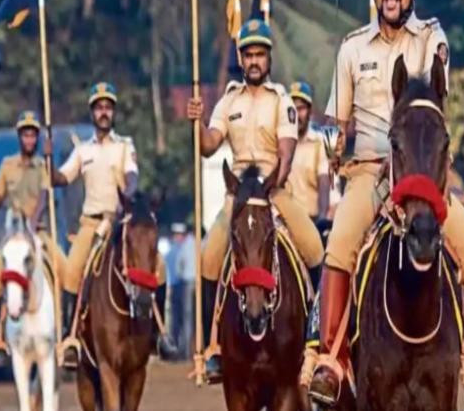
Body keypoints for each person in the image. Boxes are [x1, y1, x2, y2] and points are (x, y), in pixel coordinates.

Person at [309, 0, 464, 411]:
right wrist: (333, 143)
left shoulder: (430, 37)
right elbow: (336, 121)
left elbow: (434, 80)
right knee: (339, 246)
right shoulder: (351, 49)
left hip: (421, 174)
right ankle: (332, 364)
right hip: (369, 173)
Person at [187, 19, 324, 384]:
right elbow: (208, 146)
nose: (254, 61)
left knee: (314, 247)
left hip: (273, 191)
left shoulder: (281, 101)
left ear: (269, 58)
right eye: (248, 54)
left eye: (260, 54)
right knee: (209, 256)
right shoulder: (228, 100)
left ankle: (318, 341)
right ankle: (213, 347)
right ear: (240, 58)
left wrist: (268, 185)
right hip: (237, 197)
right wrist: (198, 122)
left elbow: (285, 155)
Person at [47, 82, 178, 367]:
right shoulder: (82, 150)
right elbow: (61, 179)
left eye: (108, 107)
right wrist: (48, 159)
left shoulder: (124, 146)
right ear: (92, 113)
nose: (103, 112)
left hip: (120, 220)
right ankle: (71, 337)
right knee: (72, 271)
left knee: (159, 267)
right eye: (99, 108)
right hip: (91, 223)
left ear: (113, 112)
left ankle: (159, 334)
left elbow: (132, 176)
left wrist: (127, 196)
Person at [0, 111, 66, 368]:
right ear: (19, 137)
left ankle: (66, 335)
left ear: (37, 138)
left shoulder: (42, 165)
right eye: (25, 135)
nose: (29, 139)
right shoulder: (7, 165)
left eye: (33, 135)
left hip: (38, 231)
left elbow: (44, 197)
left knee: (68, 271)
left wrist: (32, 222)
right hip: (14, 235)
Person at [286, 81, 331, 223]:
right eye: (292, 109)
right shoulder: (282, 143)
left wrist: (322, 219)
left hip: (311, 219)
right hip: (285, 221)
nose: (297, 115)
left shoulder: (319, 143)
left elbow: (324, 183)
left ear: (310, 111)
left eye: (301, 109)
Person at [166, 222, 196, 359]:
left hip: (183, 284)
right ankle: (186, 349)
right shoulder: (197, 244)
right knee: (188, 318)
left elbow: (178, 267)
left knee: (182, 317)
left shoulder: (181, 248)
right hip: (192, 284)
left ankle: (182, 349)